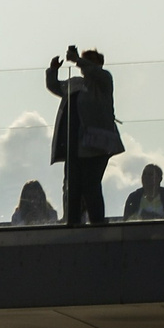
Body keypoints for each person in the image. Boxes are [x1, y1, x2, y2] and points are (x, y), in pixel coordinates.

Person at [46, 46, 121, 226]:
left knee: (91, 184)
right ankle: (72, 222)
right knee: (73, 187)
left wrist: (78, 59)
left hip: (98, 144)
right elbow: (55, 87)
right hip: (75, 146)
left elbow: (95, 72)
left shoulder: (104, 81)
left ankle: (97, 222)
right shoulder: (76, 83)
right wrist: (53, 70)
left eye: (90, 61)